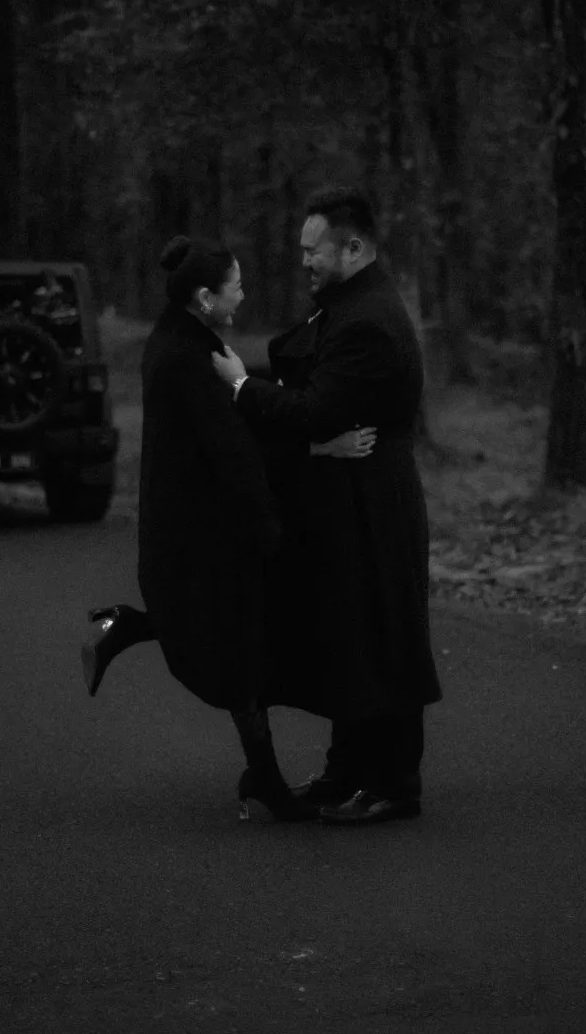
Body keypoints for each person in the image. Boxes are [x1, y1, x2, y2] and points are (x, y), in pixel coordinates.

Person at [81, 235, 370, 823]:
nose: (244, 294)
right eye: (235, 286)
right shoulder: (186, 357)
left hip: (195, 525)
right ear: (205, 297)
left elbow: (231, 422)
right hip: (204, 530)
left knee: (225, 636)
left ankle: (128, 629)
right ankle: (266, 780)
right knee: (234, 646)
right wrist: (308, 461)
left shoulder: (184, 339)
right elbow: (232, 447)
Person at [211, 186, 441, 826]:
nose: (305, 260)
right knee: (352, 635)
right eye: (304, 249)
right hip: (352, 495)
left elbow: (316, 409)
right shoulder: (346, 307)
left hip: (377, 500)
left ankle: (393, 783)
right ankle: (348, 771)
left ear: (354, 248)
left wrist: (240, 387)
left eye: (315, 250)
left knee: (384, 635)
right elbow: (304, 380)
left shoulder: (367, 321)